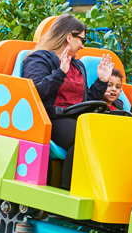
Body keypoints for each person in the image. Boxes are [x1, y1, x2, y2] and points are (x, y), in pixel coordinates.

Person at [18, 14, 114, 190]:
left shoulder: (78, 66)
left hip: (75, 118)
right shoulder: (39, 58)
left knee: (102, 133)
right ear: (69, 37)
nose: (83, 45)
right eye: (81, 39)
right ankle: (66, 190)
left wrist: (101, 81)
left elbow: (85, 102)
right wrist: (60, 73)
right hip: (49, 118)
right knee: (84, 136)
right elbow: (34, 93)